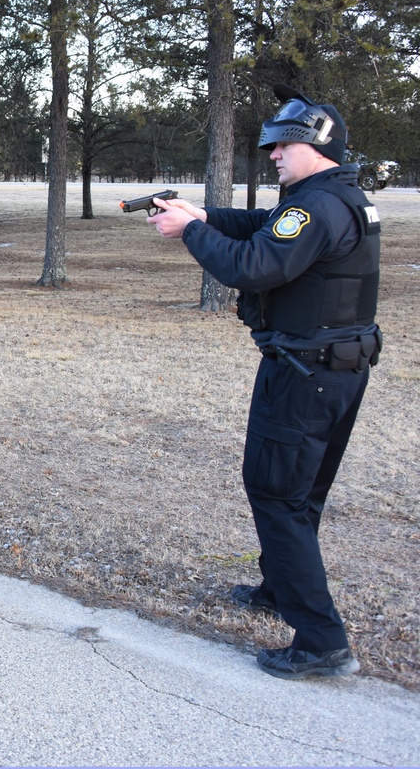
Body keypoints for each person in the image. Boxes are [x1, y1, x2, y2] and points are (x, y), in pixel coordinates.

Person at [147, 85, 382, 680]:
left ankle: (322, 641)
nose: (272, 154)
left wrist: (190, 234)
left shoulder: (316, 207)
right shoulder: (334, 200)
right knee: (299, 493)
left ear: (314, 146)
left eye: (282, 144)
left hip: (305, 375)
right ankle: (280, 588)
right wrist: (203, 214)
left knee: (277, 493)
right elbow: (264, 227)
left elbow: (251, 264)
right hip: (334, 370)